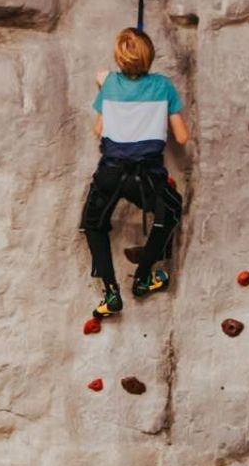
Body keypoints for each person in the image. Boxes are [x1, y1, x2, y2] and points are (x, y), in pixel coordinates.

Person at [80, 27, 189, 319]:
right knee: (171, 212)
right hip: (148, 175)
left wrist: (104, 85)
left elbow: (98, 129)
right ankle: (143, 277)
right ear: (149, 57)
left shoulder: (110, 84)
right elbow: (181, 137)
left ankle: (111, 292)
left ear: (119, 58)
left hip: (111, 172)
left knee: (93, 224)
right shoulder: (164, 86)